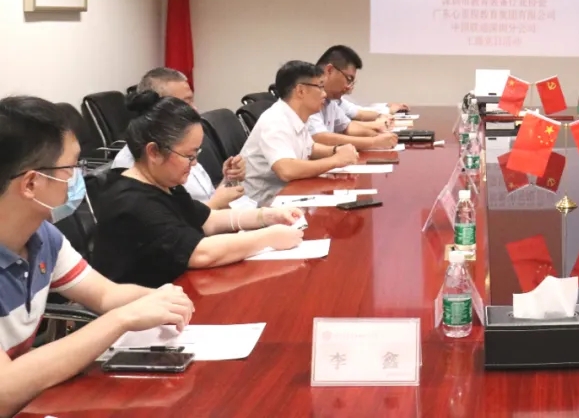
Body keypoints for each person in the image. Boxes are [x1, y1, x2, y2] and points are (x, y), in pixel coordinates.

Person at [0, 96, 195, 415]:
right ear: (31, 183)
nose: (79, 177)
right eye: (71, 168)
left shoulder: (42, 236)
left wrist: (162, 300)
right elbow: (4, 389)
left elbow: (105, 294)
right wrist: (121, 319)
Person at [93, 93, 307, 287]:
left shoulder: (164, 183)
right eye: (189, 156)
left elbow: (208, 219)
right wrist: (268, 238)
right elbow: (200, 253)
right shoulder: (131, 201)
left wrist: (267, 216)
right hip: (142, 307)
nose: (194, 163)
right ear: (154, 152)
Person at [113, 68, 245, 209]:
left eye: (192, 100)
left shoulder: (180, 145)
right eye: (184, 104)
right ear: (160, 108)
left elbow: (208, 198)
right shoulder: (132, 166)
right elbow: (168, 219)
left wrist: (229, 180)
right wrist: (214, 205)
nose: (195, 109)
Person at [240, 61, 360, 205]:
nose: (324, 93)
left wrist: (335, 150)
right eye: (320, 87)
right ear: (301, 91)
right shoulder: (275, 120)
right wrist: (336, 160)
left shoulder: (297, 115)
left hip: (287, 196)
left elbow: (310, 148)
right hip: (259, 205)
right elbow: (286, 170)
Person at [309, 46, 399, 150]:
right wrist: (373, 142)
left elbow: (347, 126)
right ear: (330, 70)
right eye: (348, 79)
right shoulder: (309, 93)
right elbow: (319, 137)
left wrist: (376, 136)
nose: (348, 87)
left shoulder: (330, 100)